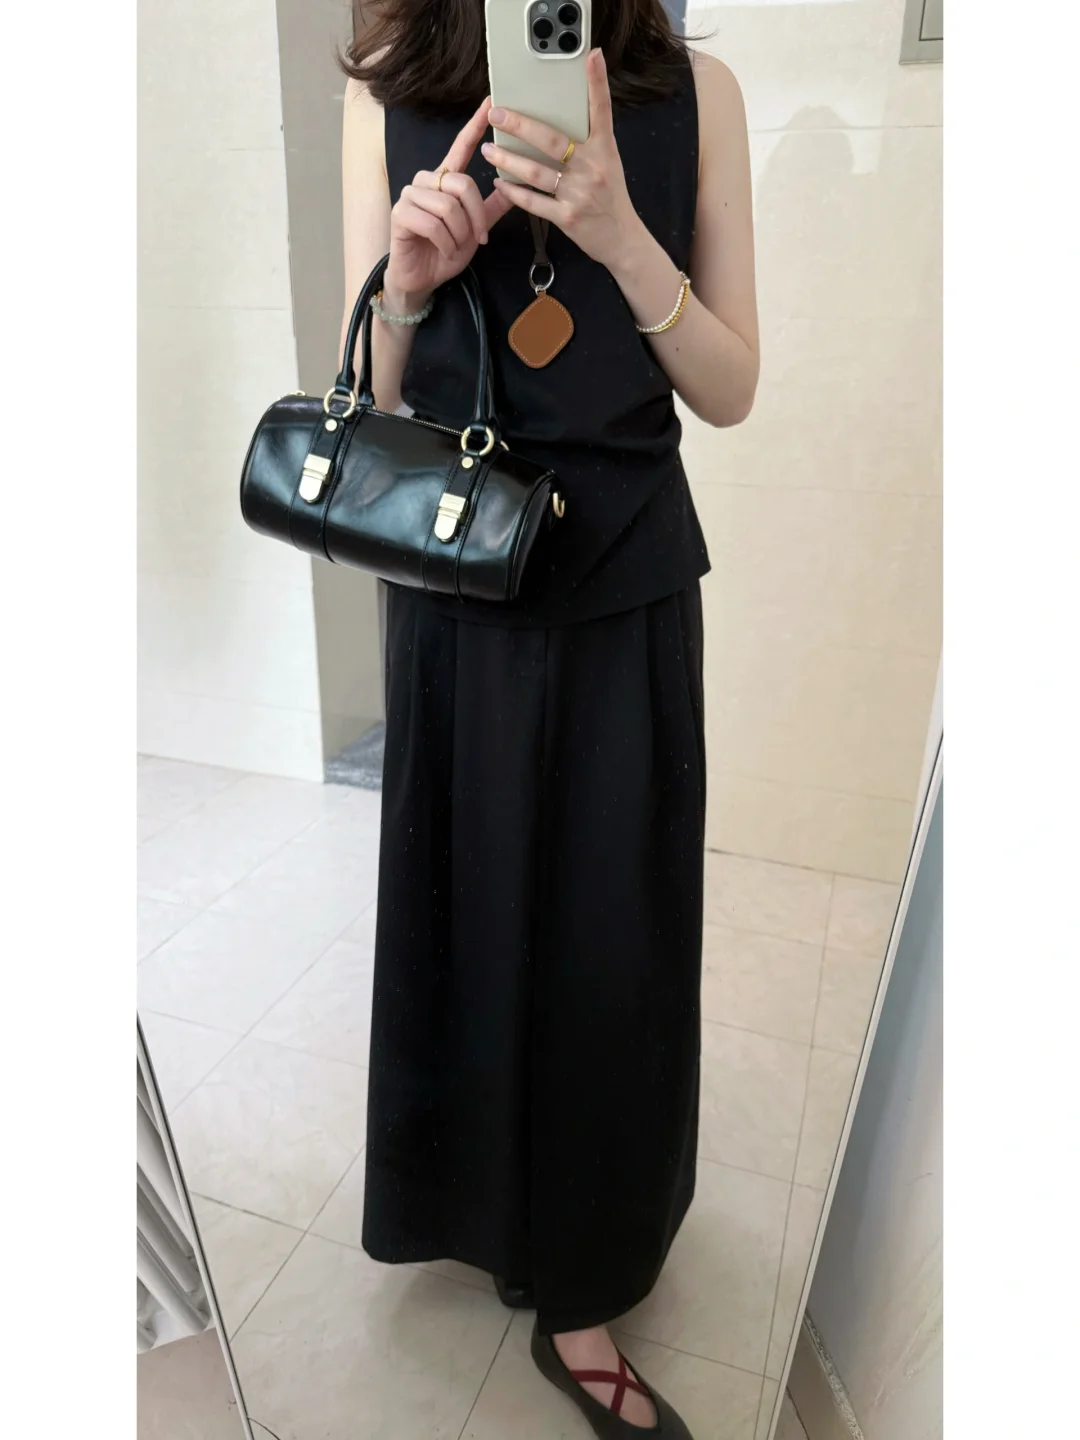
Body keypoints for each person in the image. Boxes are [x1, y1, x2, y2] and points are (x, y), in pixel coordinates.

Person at [339, 2, 758, 1434]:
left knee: (610, 948)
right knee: (462, 920)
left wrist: (623, 237)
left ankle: (582, 1283)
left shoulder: (696, 92)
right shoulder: (384, 95)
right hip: (456, 579)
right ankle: (472, 1208)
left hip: (626, 581)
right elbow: (370, 398)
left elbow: (733, 388)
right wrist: (408, 287)